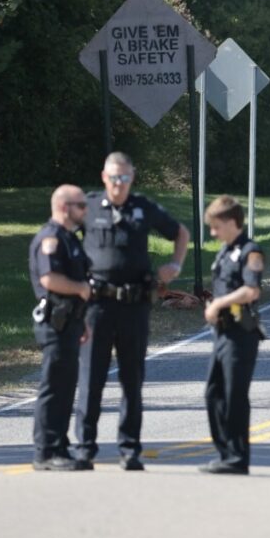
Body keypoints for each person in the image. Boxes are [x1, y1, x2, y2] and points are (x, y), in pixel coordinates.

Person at [75, 152, 190, 471]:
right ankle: (85, 448)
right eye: (113, 178)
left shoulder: (142, 207)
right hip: (96, 306)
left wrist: (174, 265)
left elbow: (181, 232)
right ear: (104, 178)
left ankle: (129, 449)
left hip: (134, 306)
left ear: (132, 178)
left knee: (131, 380)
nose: (118, 184)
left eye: (124, 178)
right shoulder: (89, 206)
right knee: (91, 379)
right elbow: (60, 235)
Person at [200, 195, 265, 475]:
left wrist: (218, 303)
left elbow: (252, 291)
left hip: (241, 333)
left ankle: (237, 457)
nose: (213, 233)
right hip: (223, 333)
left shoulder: (251, 252)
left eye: (216, 227)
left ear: (230, 222)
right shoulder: (226, 252)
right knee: (214, 393)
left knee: (234, 395)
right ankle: (225, 452)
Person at [28, 185, 92, 471]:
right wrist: (81, 288)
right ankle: (45, 451)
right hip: (55, 324)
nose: (85, 210)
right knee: (54, 387)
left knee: (66, 387)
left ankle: (60, 446)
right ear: (65, 207)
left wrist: (84, 321)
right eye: (81, 205)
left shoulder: (70, 239)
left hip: (70, 322)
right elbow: (49, 279)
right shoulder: (51, 238)